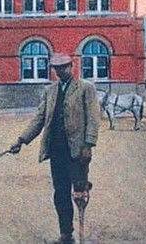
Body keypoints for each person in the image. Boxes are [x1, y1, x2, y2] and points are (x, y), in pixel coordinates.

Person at [9, 53, 100, 244]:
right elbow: (40, 119)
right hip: (57, 152)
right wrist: (21, 140)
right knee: (60, 194)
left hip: (77, 153)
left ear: (72, 66)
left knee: (80, 194)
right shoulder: (50, 91)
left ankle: (83, 237)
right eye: (57, 68)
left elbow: (93, 118)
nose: (60, 71)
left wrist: (88, 145)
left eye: (64, 67)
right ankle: (66, 235)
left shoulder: (86, 88)